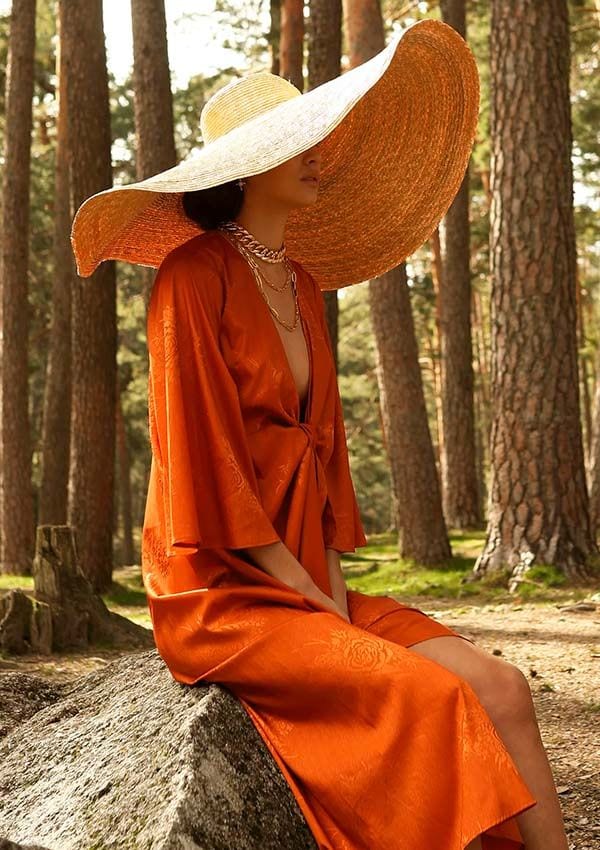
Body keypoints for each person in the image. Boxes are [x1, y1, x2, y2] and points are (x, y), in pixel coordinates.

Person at [70, 19, 569, 850]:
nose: (319, 154)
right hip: (222, 591)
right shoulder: (192, 280)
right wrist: (309, 602)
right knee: (432, 699)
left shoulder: (297, 279)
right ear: (246, 170)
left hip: (307, 571)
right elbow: (204, 458)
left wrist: (331, 593)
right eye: (296, 144)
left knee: (505, 689)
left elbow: (325, 455)